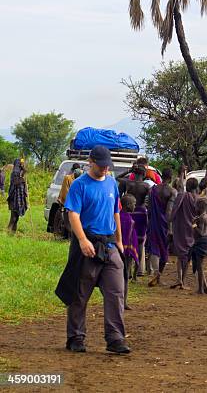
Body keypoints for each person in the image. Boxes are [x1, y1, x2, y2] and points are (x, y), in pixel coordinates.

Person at [55, 146, 130, 354]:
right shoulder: (79, 185)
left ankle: (115, 339)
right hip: (88, 245)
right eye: (102, 165)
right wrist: (82, 240)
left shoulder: (112, 183)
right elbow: (73, 214)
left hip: (109, 246)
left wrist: (119, 241)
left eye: (108, 165)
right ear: (91, 162)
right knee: (80, 294)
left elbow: (116, 212)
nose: (105, 169)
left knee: (116, 292)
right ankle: (76, 337)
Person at [117, 164, 150, 276]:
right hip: (141, 213)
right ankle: (136, 272)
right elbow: (150, 201)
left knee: (126, 240)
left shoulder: (127, 183)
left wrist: (128, 170)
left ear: (134, 173)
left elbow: (117, 178)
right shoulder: (146, 186)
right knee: (139, 242)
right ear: (144, 174)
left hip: (129, 213)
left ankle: (127, 270)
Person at [146, 168, 177, 287]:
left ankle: (155, 272)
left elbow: (148, 207)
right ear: (170, 178)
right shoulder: (172, 191)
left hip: (153, 222)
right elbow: (169, 212)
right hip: (164, 223)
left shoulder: (152, 189)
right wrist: (170, 228)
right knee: (164, 249)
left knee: (154, 247)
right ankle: (159, 276)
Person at [170, 177, 198, 289]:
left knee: (180, 255)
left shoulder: (182, 196)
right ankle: (183, 280)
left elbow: (174, 209)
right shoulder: (197, 199)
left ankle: (179, 279)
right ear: (196, 187)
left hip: (180, 227)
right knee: (187, 255)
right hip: (191, 229)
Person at [120, 194, 139, 310]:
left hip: (116, 251)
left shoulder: (117, 216)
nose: (135, 206)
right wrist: (133, 252)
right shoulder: (129, 220)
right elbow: (130, 239)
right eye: (134, 203)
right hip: (126, 253)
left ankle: (119, 302)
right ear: (128, 205)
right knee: (125, 277)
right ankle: (124, 302)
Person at [189, 199, 207, 294]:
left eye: (196, 206)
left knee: (200, 267)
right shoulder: (205, 216)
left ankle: (201, 289)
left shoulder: (202, 218)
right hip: (202, 242)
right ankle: (205, 288)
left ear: (200, 207)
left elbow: (202, 233)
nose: (195, 208)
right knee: (200, 266)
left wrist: (194, 225)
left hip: (201, 242)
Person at [7, 158, 28, 233]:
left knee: (16, 217)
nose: (21, 164)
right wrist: (22, 180)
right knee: (13, 217)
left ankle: (12, 233)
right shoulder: (15, 172)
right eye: (20, 163)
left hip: (19, 197)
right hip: (14, 197)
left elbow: (23, 173)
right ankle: (8, 232)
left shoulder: (19, 171)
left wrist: (24, 170)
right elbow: (16, 182)